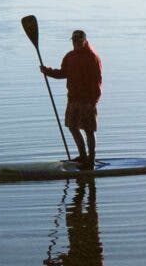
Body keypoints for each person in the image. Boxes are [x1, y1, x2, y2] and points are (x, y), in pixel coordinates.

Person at [41, 28, 103, 166]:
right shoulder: (69, 56)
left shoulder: (93, 57)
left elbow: (97, 81)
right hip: (73, 98)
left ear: (85, 41)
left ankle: (91, 159)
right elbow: (63, 73)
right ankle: (82, 156)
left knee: (89, 130)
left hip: (88, 100)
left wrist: (94, 101)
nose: (76, 42)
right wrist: (47, 71)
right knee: (72, 126)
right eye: (74, 40)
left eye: (79, 40)